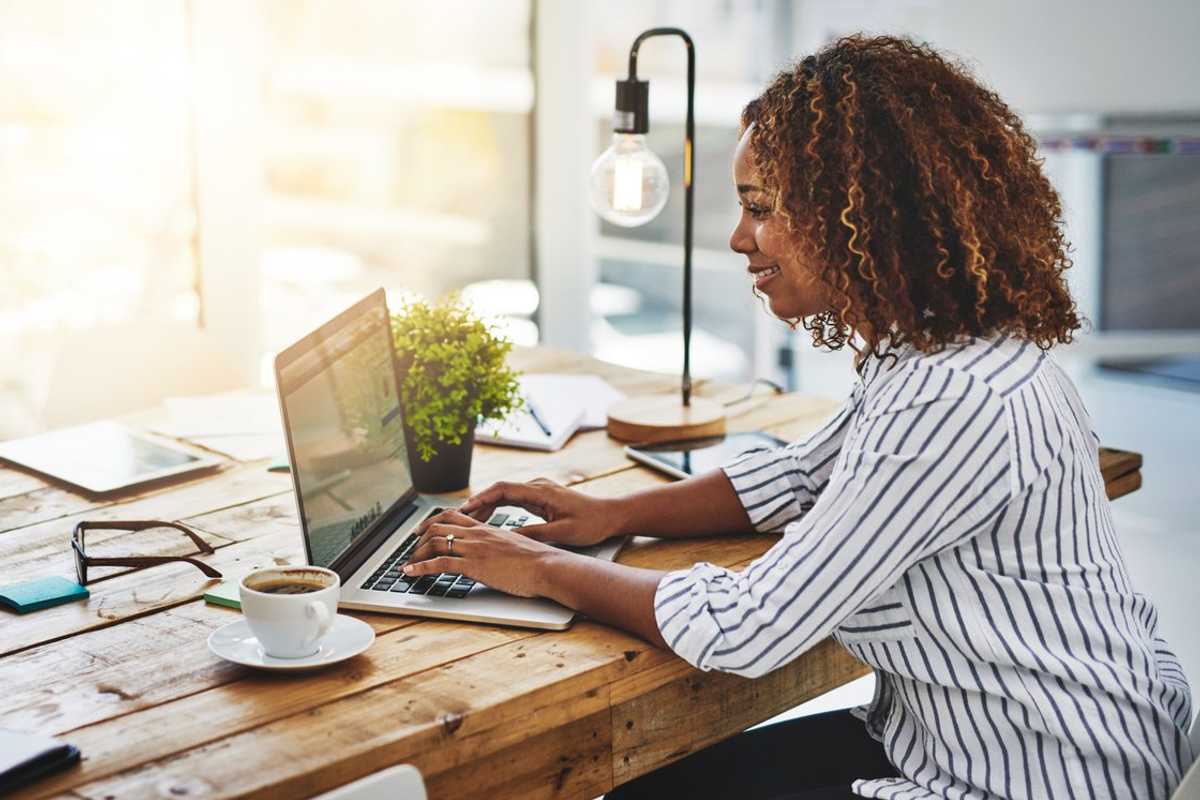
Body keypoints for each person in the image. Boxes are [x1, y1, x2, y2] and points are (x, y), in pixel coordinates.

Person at [403, 34, 1194, 799]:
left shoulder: (952, 397)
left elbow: (752, 627)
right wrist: (611, 512)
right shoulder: (934, 352)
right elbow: (796, 477)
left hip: (1034, 777)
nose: (738, 237)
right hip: (963, 736)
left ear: (860, 213)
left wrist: (533, 567)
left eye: (760, 207)